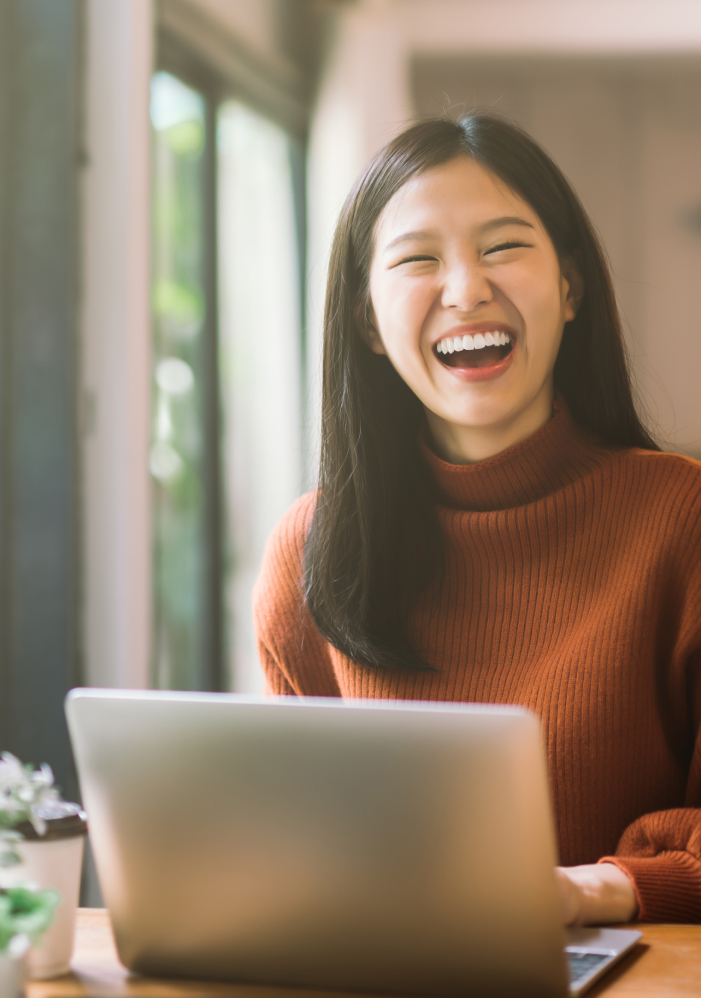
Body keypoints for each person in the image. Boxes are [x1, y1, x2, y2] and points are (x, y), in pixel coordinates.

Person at [253, 113, 701, 927]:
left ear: (569, 288)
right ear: (368, 324)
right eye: (418, 259)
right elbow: (300, 838)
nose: (465, 290)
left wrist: (591, 889)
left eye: (502, 248)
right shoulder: (311, 550)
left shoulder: (682, 518)